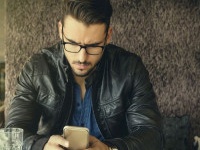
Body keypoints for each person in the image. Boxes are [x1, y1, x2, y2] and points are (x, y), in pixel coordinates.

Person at [5, 0, 163, 149]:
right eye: (72, 43)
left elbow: (152, 134)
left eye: (93, 46)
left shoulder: (130, 68)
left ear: (108, 35)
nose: (82, 58)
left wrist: (110, 149)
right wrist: (41, 146)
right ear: (60, 30)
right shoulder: (36, 67)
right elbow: (11, 135)